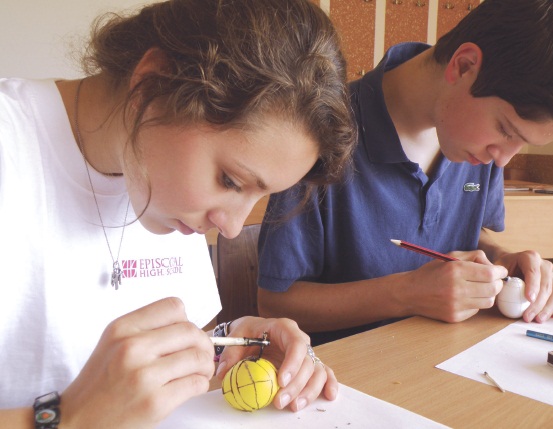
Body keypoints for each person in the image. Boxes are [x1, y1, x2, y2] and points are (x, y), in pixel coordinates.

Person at [0, 0, 357, 427]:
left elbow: (144, 364)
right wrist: (65, 418)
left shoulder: (159, 184)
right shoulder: (13, 148)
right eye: (229, 180)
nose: (229, 227)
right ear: (153, 86)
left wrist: (228, 343)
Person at [257, 0, 553, 345]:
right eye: (508, 130)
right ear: (464, 66)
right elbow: (274, 303)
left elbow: (458, 239)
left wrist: (501, 261)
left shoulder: (476, 142)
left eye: (522, 143)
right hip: (342, 380)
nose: (503, 161)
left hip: (449, 362)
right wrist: (406, 293)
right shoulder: (319, 133)